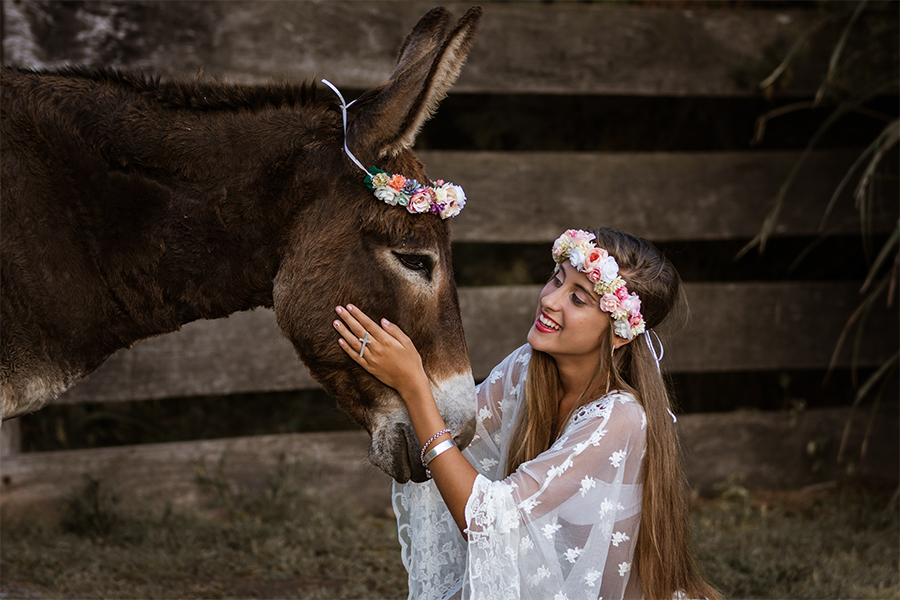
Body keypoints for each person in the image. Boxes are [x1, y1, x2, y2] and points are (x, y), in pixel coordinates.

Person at [333, 227, 720, 600]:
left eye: (578, 298)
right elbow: (456, 438)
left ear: (619, 331)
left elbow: (487, 521)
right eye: (557, 279)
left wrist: (415, 384)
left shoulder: (620, 417)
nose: (550, 300)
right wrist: (399, 359)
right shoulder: (528, 366)